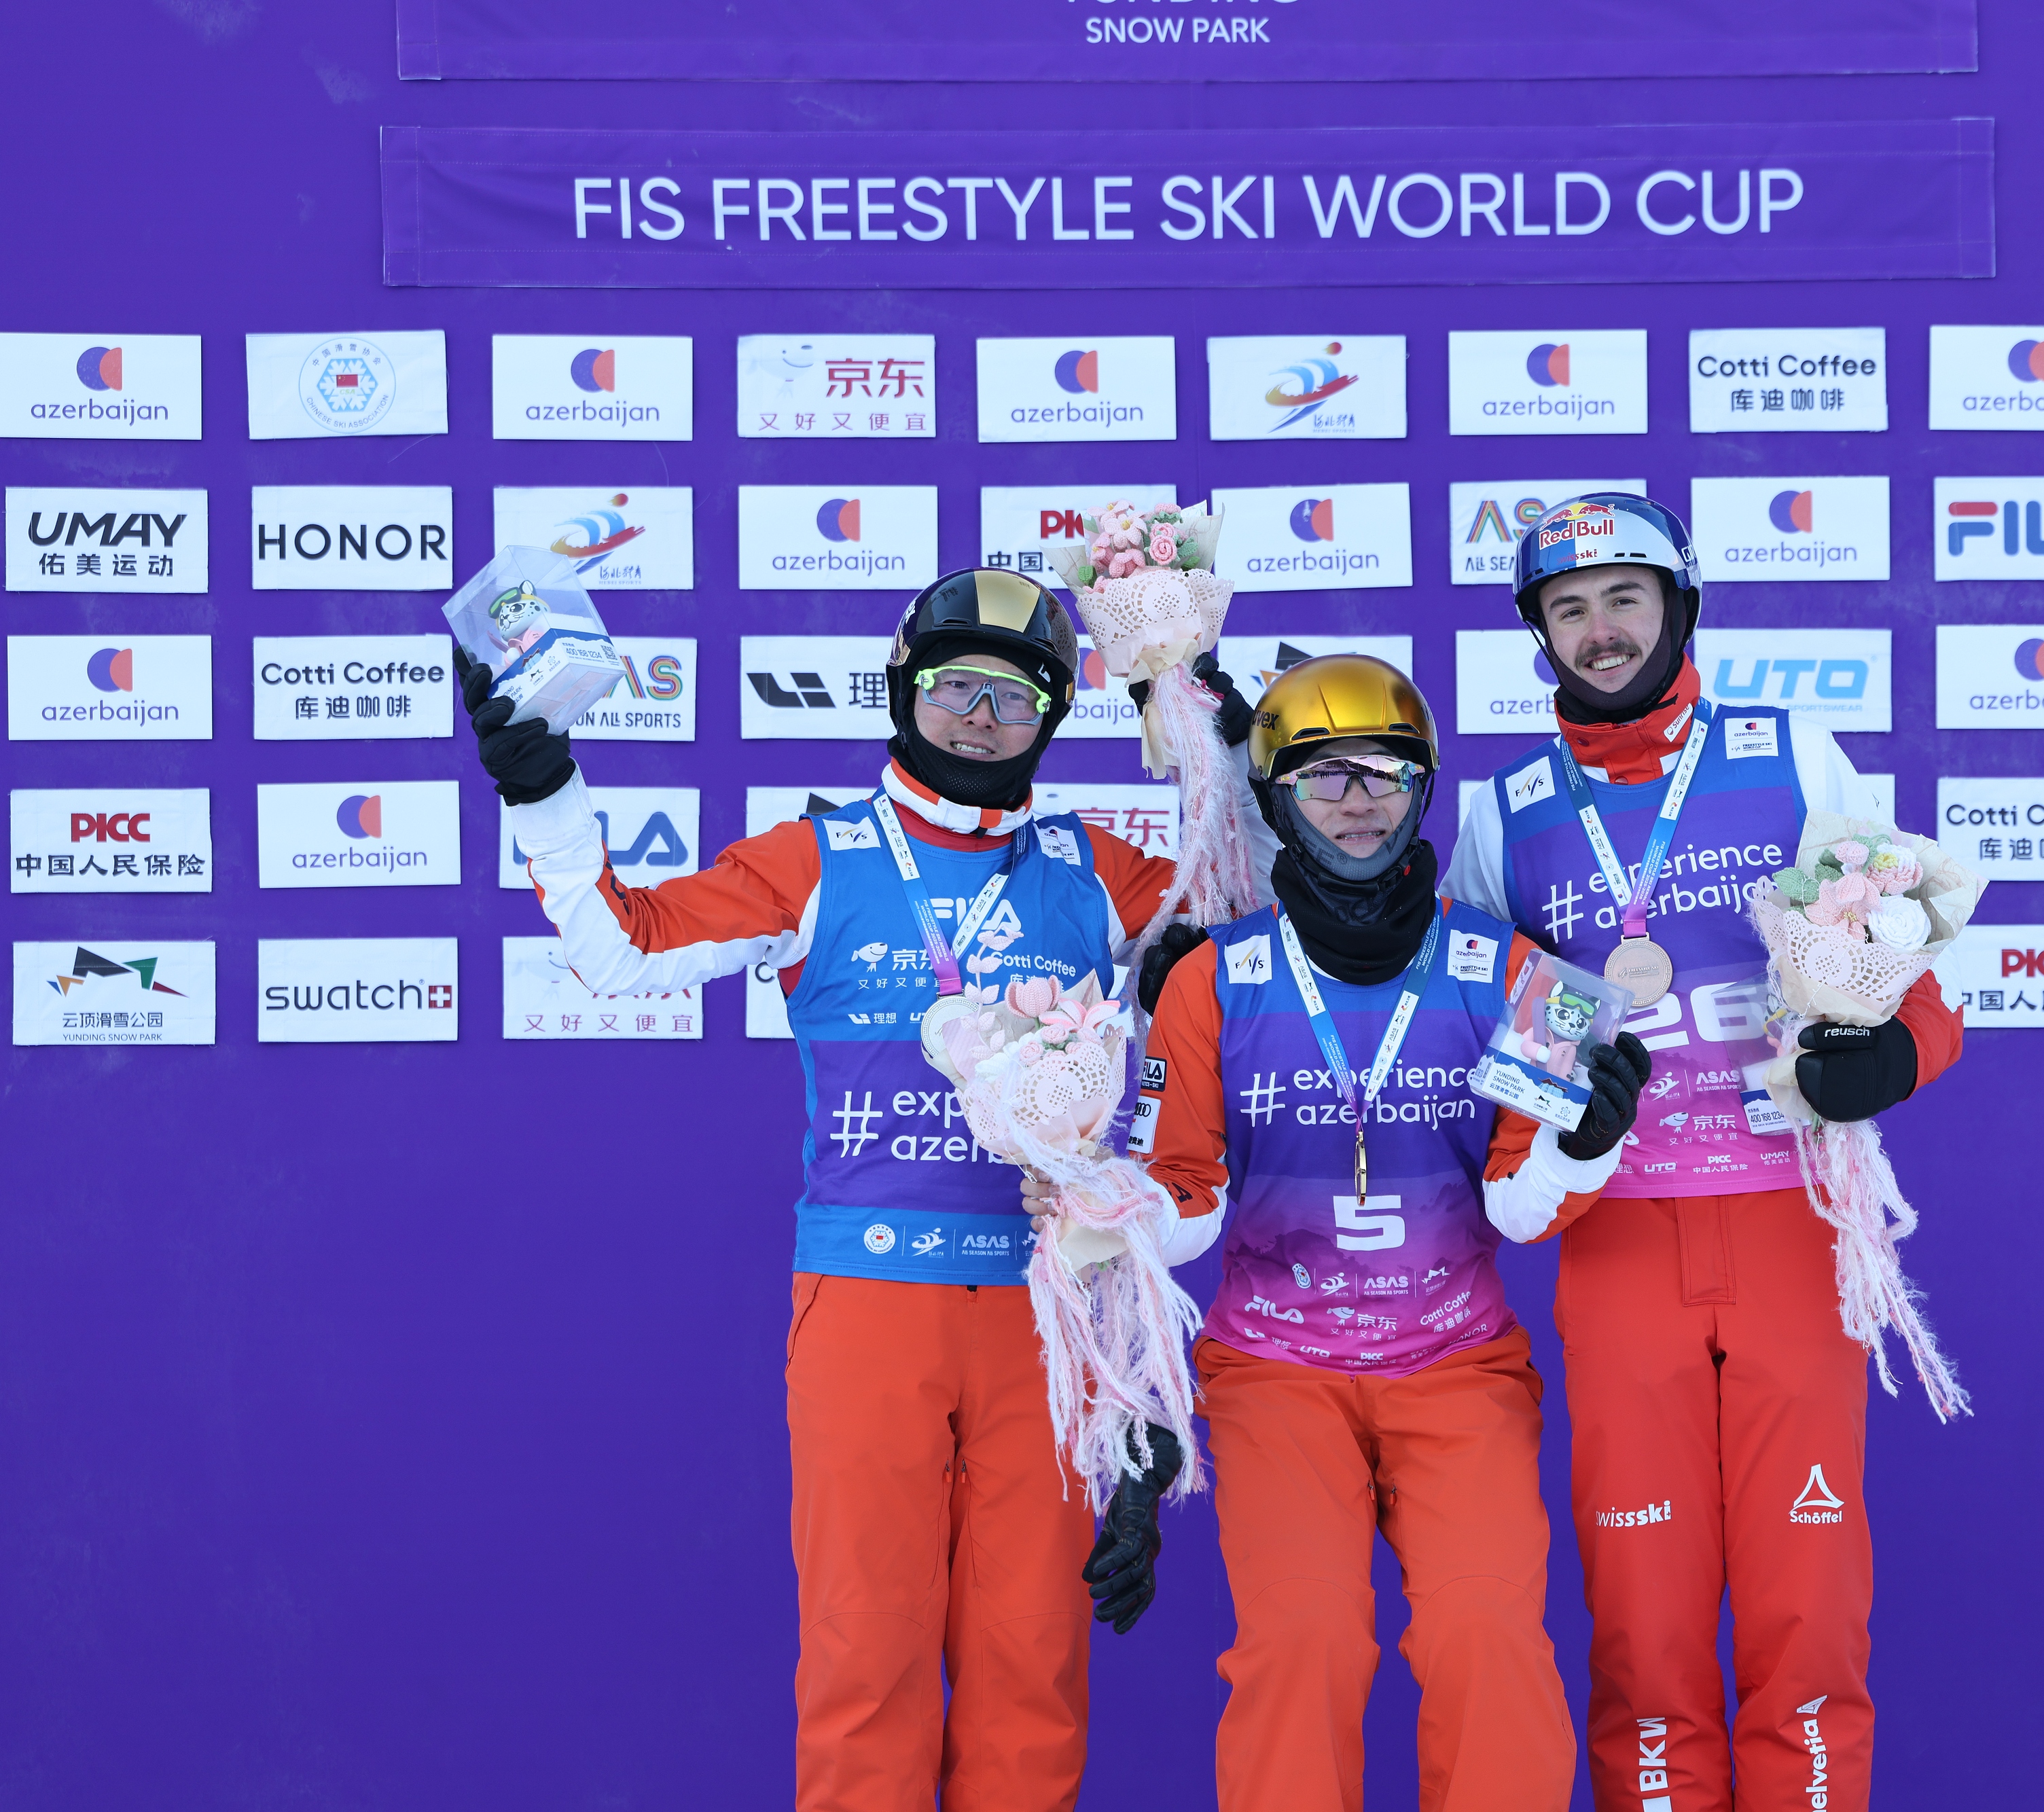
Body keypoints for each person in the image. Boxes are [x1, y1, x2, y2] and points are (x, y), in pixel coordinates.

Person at [454, 567, 1250, 1812]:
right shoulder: (817, 855)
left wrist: (1217, 745)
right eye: (955, 687)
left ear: (1052, 717)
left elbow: (1244, 934)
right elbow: (624, 950)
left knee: (1032, 1663)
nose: (980, 718)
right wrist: (544, 792)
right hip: (870, 1307)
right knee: (865, 1655)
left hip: (1047, 1313)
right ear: (902, 690)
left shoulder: (1089, 867)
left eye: (1016, 697)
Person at [1443, 496, 1968, 1812]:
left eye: (1624, 598)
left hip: (1791, 1221)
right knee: (1643, 1607)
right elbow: (1487, 1036)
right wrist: (1548, 1137)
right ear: (1539, 634)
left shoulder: (1789, 753)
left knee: (1808, 1599)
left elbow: (1907, 964)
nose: (1601, 630)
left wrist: (1896, 1057)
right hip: (1618, 1239)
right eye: (1568, 609)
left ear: (1678, 606)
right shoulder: (1508, 812)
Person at [1126, 655, 1652, 1812]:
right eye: (1324, 777)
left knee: (1486, 1636)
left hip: (1456, 1368)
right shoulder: (1211, 981)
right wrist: (1102, 1206)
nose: (1357, 800)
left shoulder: (1518, 970)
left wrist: (1584, 1146)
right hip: (1275, 1371)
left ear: (1424, 792)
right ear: (1275, 799)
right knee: (1300, 1643)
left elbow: (1519, 1209)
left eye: (1386, 773)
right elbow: (1189, 1198)